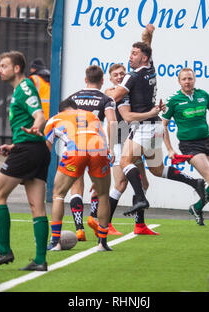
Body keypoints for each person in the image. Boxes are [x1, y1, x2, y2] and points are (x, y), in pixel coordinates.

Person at [106, 25, 206, 217]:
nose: (130, 56)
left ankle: (141, 198)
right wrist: (147, 34)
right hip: (155, 126)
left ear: (143, 57)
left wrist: (105, 95)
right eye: (131, 52)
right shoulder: (149, 66)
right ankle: (195, 182)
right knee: (157, 169)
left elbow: (115, 96)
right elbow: (147, 45)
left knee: (126, 161)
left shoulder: (132, 76)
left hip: (145, 127)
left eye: (134, 54)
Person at [0, 51, 50, 271]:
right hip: (35, 149)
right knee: (37, 206)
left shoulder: (25, 88)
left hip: (29, 150)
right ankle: (40, 260)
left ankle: (4, 251)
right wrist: (14, 146)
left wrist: (37, 126)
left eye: (3, 66)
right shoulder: (20, 90)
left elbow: (39, 114)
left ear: (16, 68)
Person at [31, 98, 113, 251]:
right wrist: (97, 174)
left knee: (58, 195)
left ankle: (55, 242)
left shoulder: (55, 119)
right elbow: (103, 139)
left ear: (61, 111)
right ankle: (102, 242)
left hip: (75, 151)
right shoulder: (91, 115)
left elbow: (45, 150)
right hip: (99, 149)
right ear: (76, 108)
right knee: (103, 195)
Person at [89, 63, 158, 236]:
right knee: (120, 184)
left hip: (134, 140)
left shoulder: (128, 92)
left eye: (122, 74)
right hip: (120, 142)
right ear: (111, 79)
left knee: (144, 183)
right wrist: (108, 149)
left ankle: (139, 225)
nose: (120, 77)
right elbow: (104, 118)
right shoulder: (110, 94)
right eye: (116, 75)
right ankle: (104, 223)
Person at [162, 68, 209, 226]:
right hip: (190, 146)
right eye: (184, 79)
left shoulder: (203, 95)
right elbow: (163, 126)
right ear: (179, 81)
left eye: (190, 78)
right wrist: (169, 149)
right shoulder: (173, 100)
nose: (187, 81)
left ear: (194, 80)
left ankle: (196, 207)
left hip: (208, 141)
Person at [64, 65, 117, 241]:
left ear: (85, 80)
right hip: (95, 145)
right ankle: (93, 217)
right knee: (99, 186)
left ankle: (79, 228)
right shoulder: (106, 99)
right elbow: (112, 122)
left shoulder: (72, 99)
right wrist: (112, 146)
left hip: (75, 146)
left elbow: (61, 122)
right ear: (102, 81)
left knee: (76, 186)